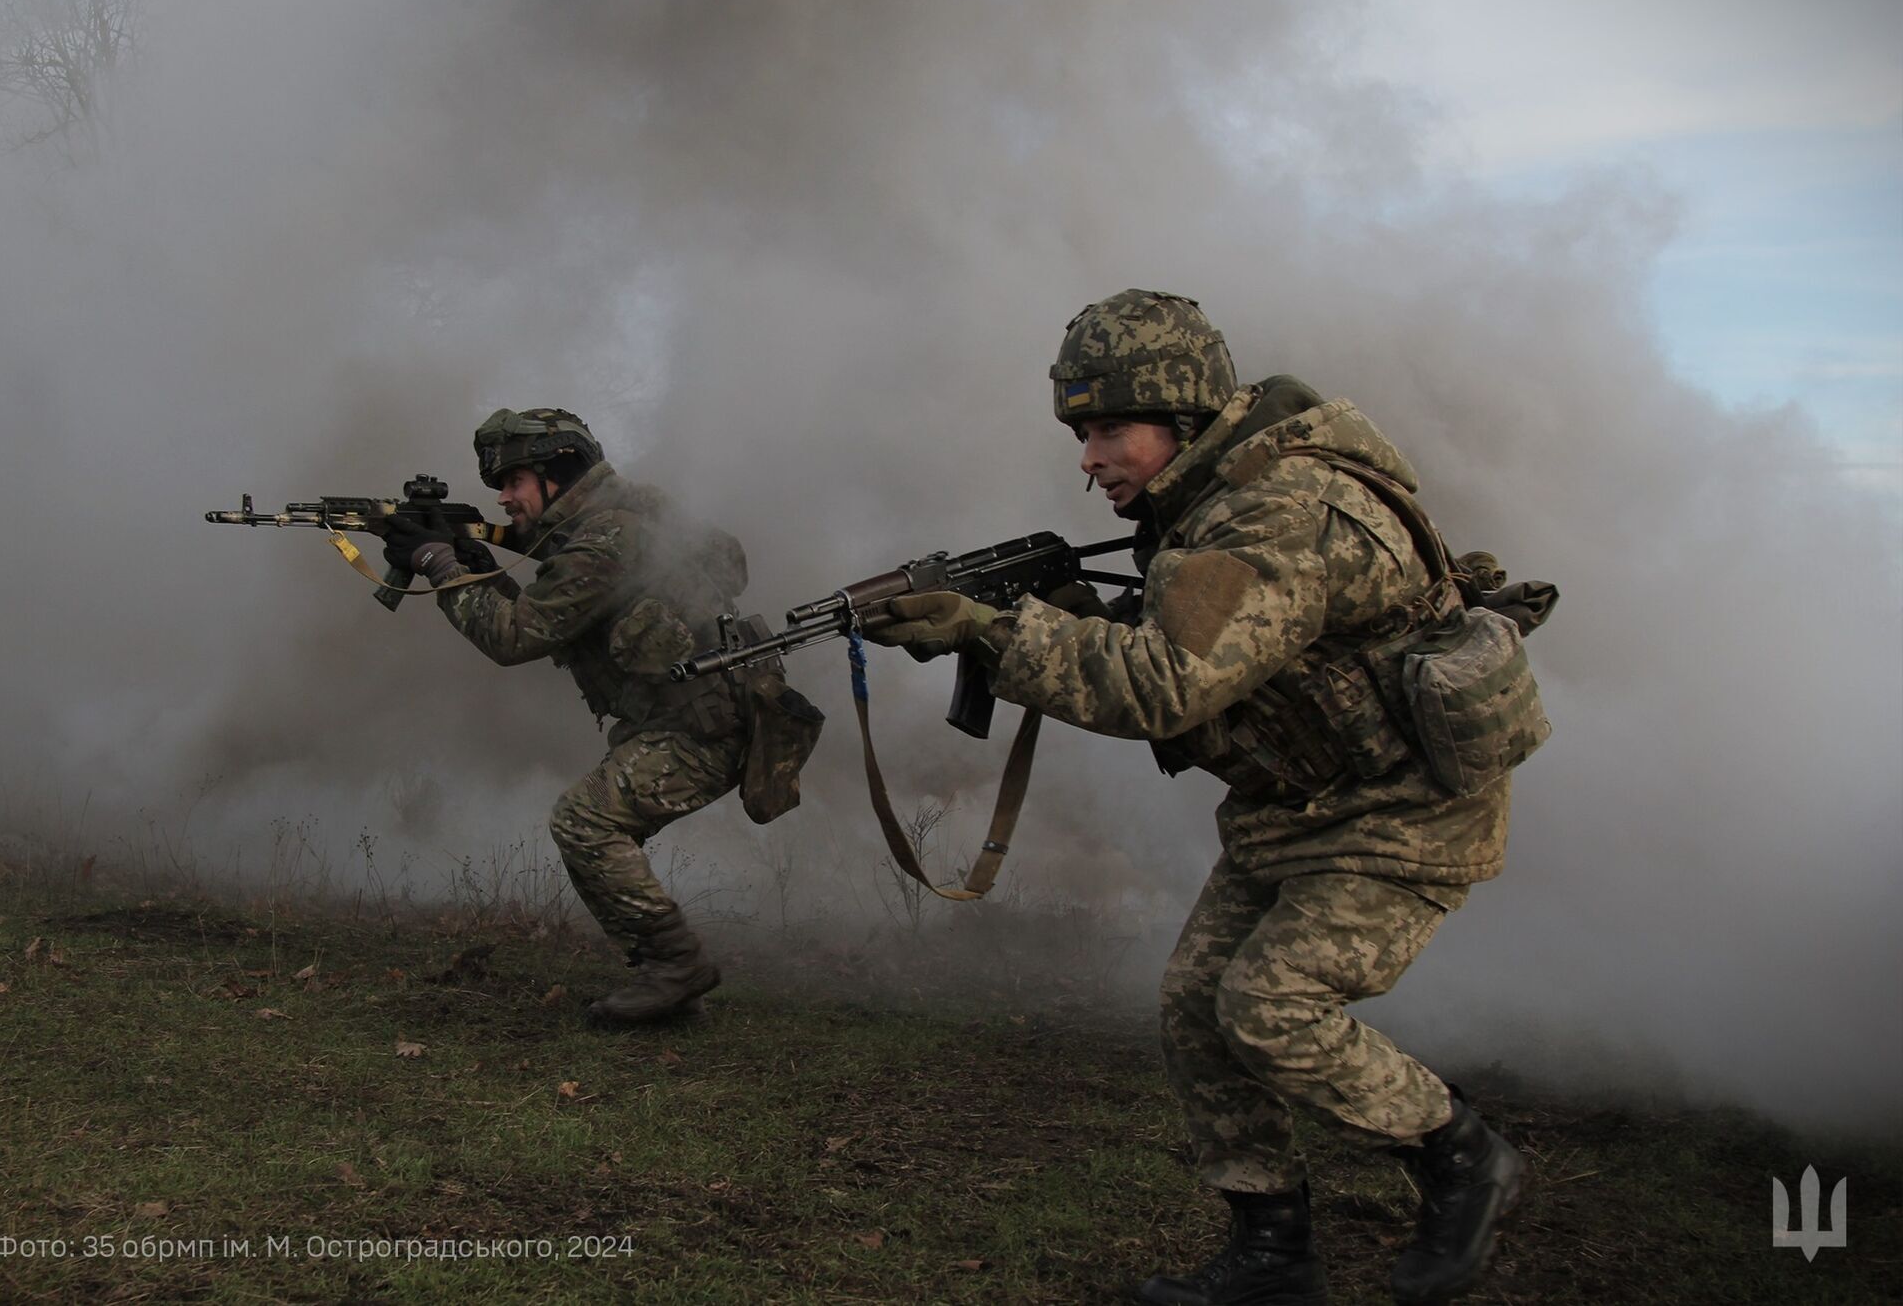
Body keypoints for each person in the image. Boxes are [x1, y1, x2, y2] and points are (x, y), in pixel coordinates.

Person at [862, 290, 1538, 1305]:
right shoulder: (1205, 505)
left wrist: (988, 632)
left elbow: (1163, 685)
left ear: (1181, 420)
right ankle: (1270, 1257)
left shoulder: (1274, 510)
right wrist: (1057, 613)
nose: (1088, 458)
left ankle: (1458, 1153)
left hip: (1400, 811)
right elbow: (1185, 653)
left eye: (1107, 430)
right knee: (1193, 1007)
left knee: (1268, 1005)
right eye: (1078, 432)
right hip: (1294, 806)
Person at [385, 407, 773, 1027]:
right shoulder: (621, 517)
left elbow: (515, 637)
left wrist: (439, 564)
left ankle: (676, 967)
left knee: (585, 822)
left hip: (702, 727)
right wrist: (468, 555)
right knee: (593, 825)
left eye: (513, 482)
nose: (505, 498)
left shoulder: (605, 537)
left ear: (556, 474)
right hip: (699, 714)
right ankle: (673, 987)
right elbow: (548, 606)